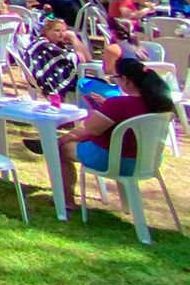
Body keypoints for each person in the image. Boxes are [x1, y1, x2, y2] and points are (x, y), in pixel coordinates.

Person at [26, 58, 177, 209]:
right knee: (76, 138)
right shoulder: (161, 104)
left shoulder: (117, 104)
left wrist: (99, 111)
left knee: (60, 150)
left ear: (125, 80)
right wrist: (105, 108)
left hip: (113, 160)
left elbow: (91, 129)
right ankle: (55, 142)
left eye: (115, 78)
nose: (114, 82)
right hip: (148, 161)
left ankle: (66, 200)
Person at [25, 18, 84, 99]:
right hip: (49, 82)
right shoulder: (43, 45)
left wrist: (75, 38)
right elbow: (81, 60)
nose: (61, 34)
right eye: (57, 30)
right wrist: (73, 39)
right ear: (47, 31)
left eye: (63, 31)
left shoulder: (59, 44)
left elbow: (88, 57)